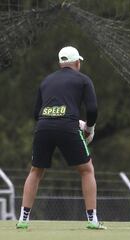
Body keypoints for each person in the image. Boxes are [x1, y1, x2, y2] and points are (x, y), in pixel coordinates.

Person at [16, 46, 106, 230]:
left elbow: (36, 113)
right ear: (77, 62)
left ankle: (23, 219)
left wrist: (48, 122)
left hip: (43, 126)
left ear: (60, 63)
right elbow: (93, 110)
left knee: (36, 171)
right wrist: (88, 128)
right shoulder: (83, 80)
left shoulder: (46, 81)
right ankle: (93, 220)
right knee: (86, 170)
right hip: (67, 126)